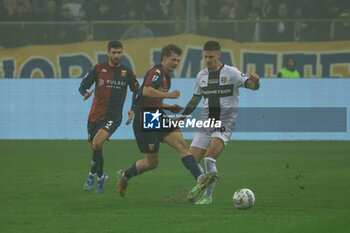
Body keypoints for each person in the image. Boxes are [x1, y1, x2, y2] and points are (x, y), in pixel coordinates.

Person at [117, 44, 217, 197]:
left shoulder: (166, 76)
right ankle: (125, 175)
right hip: (145, 118)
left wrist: (168, 107)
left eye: (178, 61)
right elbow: (145, 91)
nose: (176, 63)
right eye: (173, 60)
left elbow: (152, 99)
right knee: (152, 163)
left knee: (182, 145)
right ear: (164, 59)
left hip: (156, 115)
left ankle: (200, 177)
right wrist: (169, 96)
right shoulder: (156, 72)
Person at [180, 41, 260, 204]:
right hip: (206, 122)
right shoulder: (201, 75)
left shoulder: (231, 72)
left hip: (225, 122)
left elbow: (251, 86)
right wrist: (183, 116)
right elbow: (196, 98)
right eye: (205, 57)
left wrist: (255, 81)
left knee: (209, 158)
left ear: (218, 55)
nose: (208, 60)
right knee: (191, 160)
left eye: (211, 57)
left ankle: (207, 197)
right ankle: (202, 181)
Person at [79, 40, 140, 194]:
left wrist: (132, 109)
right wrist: (85, 93)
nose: (116, 55)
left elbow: (136, 91)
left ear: (122, 53)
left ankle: (92, 174)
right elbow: (82, 85)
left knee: (97, 142)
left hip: (113, 117)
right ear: (108, 53)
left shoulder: (127, 72)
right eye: (114, 52)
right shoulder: (98, 69)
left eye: (119, 52)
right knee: (95, 146)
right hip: (94, 116)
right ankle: (101, 177)